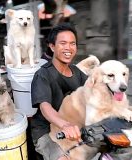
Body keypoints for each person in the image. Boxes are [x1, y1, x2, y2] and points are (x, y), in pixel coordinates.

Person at [30, 23, 87, 160]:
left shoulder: (77, 72)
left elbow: (93, 91)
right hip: (46, 131)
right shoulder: (42, 74)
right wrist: (65, 125)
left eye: (72, 44)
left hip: (74, 127)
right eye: (63, 43)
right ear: (52, 46)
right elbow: (45, 107)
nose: (68, 48)